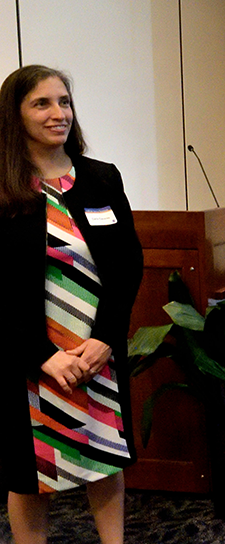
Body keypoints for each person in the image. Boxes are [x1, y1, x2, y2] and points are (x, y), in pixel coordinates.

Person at [0, 65, 143, 544]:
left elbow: (127, 267)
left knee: (102, 454)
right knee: (28, 473)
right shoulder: (2, 190)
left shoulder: (101, 179)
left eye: (64, 101)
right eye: (42, 103)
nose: (58, 113)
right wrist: (41, 355)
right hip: (29, 356)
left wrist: (104, 338)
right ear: (14, 115)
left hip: (93, 349)